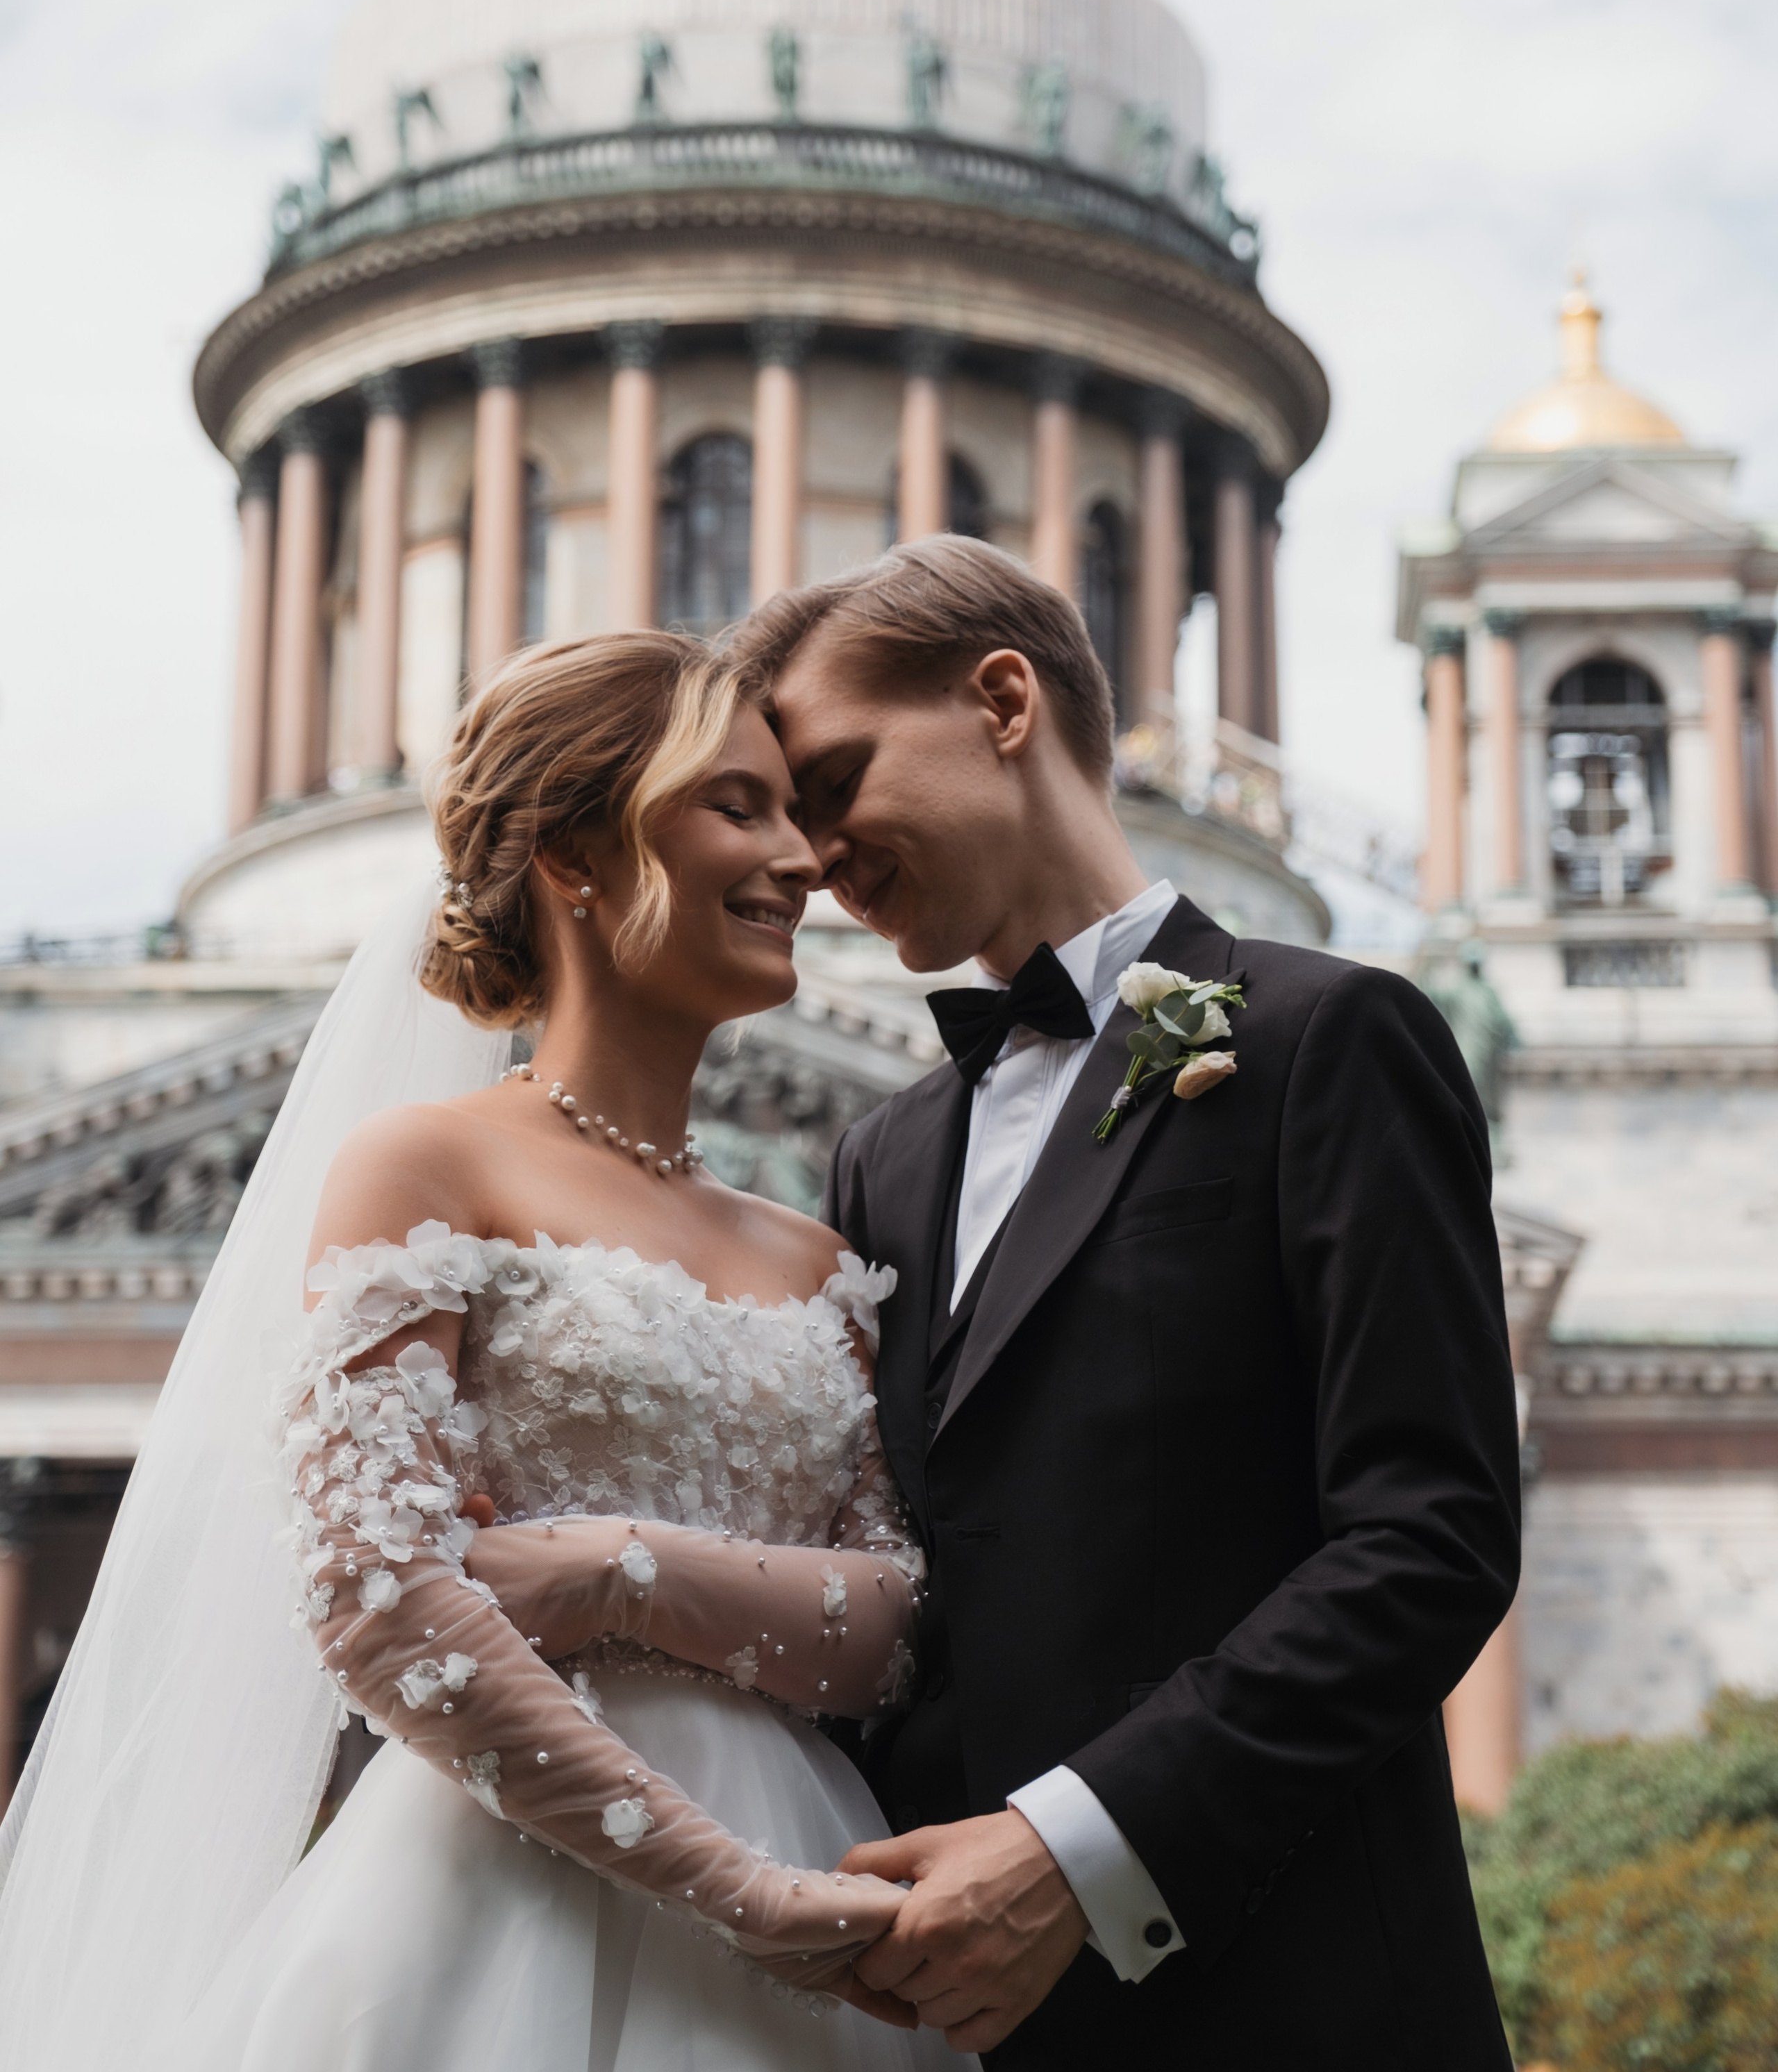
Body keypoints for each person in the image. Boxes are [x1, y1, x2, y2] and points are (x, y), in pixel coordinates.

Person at [0, 633, 955, 2072]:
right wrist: (745, 1893)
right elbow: (380, 1606)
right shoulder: (422, 1165)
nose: (803, 860)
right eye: (737, 807)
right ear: (575, 851)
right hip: (507, 1914)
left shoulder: (819, 1255)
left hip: (818, 1903)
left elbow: (891, 1629)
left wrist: (602, 1567)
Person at [729, 537, 1522, 2069]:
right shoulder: (879, 1153)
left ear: (1002, 700)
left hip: (1293, 2001)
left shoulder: (1328, 1038)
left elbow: (1427, 1534)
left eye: (831, 777)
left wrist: (1071, 1851)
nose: (811, 852)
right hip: (950, 2021)